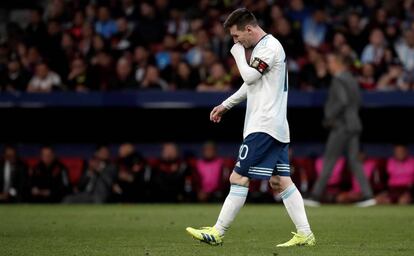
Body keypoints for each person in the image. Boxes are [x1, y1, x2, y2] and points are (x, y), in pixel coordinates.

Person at [186, 8, 315, 247]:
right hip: (275, 125)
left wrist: (236, 54)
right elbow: (252, 85)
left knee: (239, 177)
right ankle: (305, 233)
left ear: (249, 29)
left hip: (263, 126)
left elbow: (249, 78)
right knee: (280, 180)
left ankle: (218, 231)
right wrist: (226, 104)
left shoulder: (269, 47)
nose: (236, 42)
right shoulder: (263, 49)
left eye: (236, 36)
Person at [304, 53, 376, 207]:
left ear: (338, 64)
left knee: (329, 160)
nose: (329, 65)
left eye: (331, 62)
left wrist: (329, 117)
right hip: (354, 124)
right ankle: (368, 196)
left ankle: (316, 195)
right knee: (355, 162)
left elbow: (342, 101)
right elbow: (358, 101)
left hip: (341, 125)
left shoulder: (338, 79)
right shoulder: (352, 79)